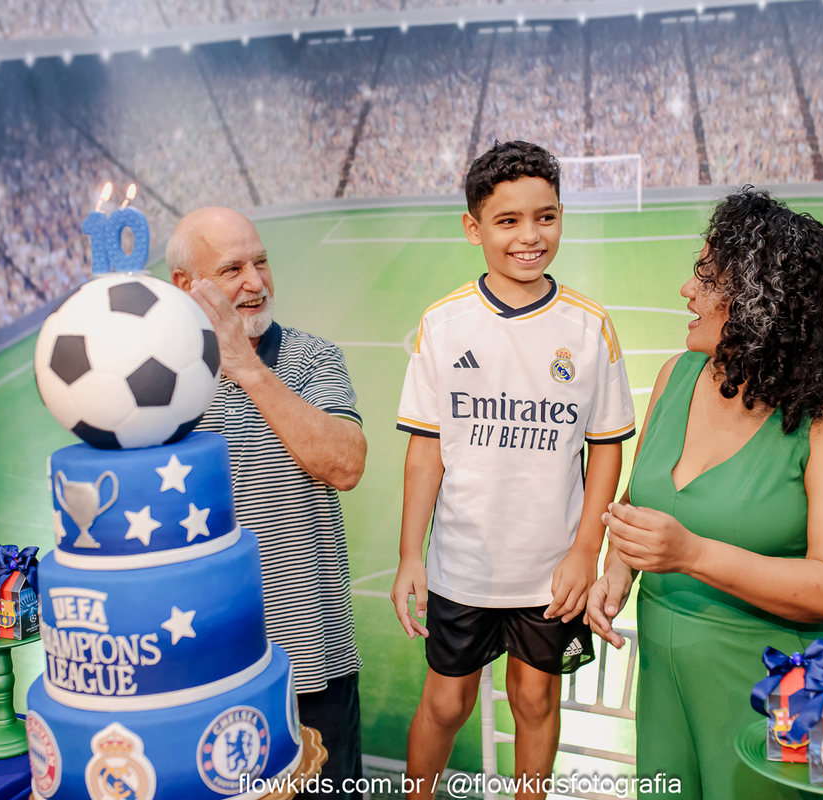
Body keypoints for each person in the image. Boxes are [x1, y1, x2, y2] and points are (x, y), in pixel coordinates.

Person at [585, 187, 823, 800]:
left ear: (761, 300)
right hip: (666, 677)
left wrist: (691, 554)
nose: (687, 291)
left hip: (780, 691)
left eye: (706, 277)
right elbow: (642, 504)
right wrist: (617, 571)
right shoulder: (677, 375)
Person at [391, 141, 636, 800]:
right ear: (474, 228)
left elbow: (606, 446)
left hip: (550, 566)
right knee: (446, 703)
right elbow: (425, 451)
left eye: (545, 217)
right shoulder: (443, 324)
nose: (530, 236)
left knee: (534, 699)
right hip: (464, 563)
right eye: (509, 220)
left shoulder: (589, 327)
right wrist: (410, 555)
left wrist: (586, 551)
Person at [167, 207, 367, 799]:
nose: (255, 282)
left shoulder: (313, 358)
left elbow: (345, 464)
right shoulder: (161, 380)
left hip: (313, 665)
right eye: (232, 269)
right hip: (210, 666)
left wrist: (248, 369)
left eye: (261, 262)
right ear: (186, 285)